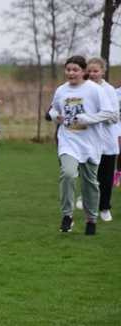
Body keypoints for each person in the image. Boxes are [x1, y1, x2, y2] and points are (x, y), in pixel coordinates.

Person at [48, 56, 117, 235]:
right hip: (68, 140)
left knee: (90, 183)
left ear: (83, 71)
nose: (71, 73)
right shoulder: (61, 91)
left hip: (90, 143)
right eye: (68, 69)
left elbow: (109, 113)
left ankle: (91, 218)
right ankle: (67, 216)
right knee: (68, 173)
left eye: (75, 70)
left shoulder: (94, 90)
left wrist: (88, 118)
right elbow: (53, 109)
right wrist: (56, 116)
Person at [82, 58, 120, 221]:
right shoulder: (82, 88)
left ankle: (105, 208)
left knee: (105, 177)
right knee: (89, 175)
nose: (92, 74)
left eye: (95, 71)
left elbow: (113, 116)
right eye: (89, 71)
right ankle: (87, 202)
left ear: (103, 71)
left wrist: (92, 118)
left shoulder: (109, 90)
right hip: (88, 140)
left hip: (106, 141)